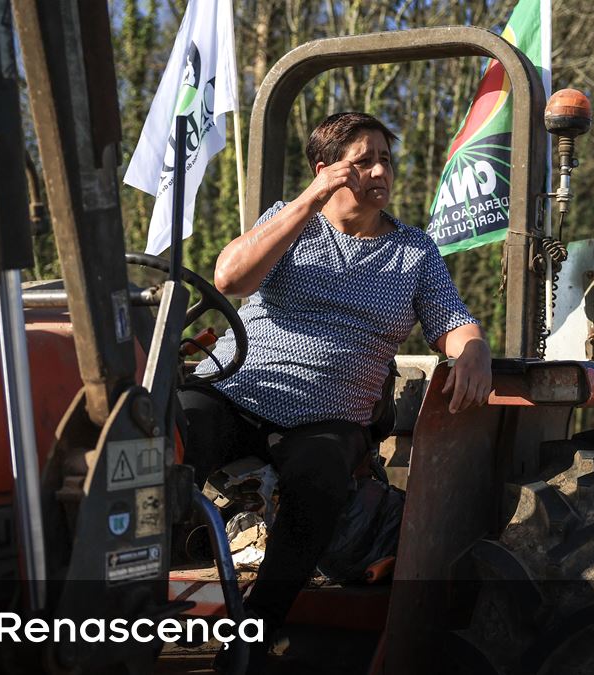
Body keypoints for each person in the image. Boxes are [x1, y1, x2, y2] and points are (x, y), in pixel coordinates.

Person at [178, 112, 492, 657]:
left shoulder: (414, 253)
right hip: (236, 391)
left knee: (319, 475)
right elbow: (229, 277)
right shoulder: (289, 220)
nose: (379, 171)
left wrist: (475, 350)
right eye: (363, 160)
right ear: (325, 169)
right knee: (170, 430)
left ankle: (255, 631)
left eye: (385, 161)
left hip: (327, 418)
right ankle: (121, 596)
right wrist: (308, 201)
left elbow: (453, 321)